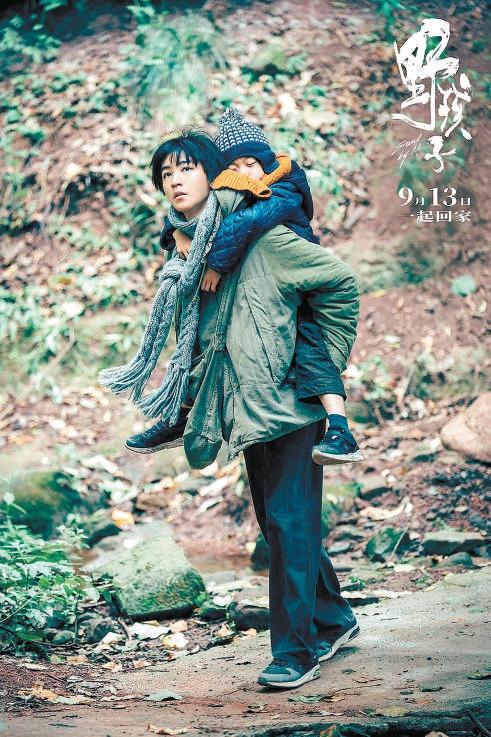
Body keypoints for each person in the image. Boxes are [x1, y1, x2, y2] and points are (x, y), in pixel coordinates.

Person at [100, 129, 360, 688]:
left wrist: (317, 363)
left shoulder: (265, 240)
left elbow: (340, 284)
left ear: (215, 174)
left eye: (186, 168)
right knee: (279, 524)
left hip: (291, 407)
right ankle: (334, 618)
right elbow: (202, 340)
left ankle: (295, 651)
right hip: (246, 410)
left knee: (288, 523)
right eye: (165, 174)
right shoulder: (189, 251)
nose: (175, 181)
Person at [126, 109, 362, 466]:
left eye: (250, 165)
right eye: (233, 168)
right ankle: (180, 415)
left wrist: (217, 264)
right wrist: (174, 233)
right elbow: (209, 220)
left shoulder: (279, 192)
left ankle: (341, 430)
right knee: (197, 344)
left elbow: (244, 224)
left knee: (312, 353)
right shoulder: (211, 223)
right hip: (250, 395)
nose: (243, 174)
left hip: (296, 300)